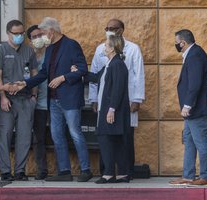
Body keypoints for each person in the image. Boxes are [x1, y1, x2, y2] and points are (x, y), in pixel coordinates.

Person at [16, 17, 92, 182]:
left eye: (43, 33)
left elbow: (82, 69)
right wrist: (26, 83)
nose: (42, 36)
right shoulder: (49, 49)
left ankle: (86, 169)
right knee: (57, 135)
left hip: (70, 98)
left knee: (75, 133)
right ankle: (64, 171)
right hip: (54, 100)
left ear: (52, 30)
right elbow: (44, 73)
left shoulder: (71, 45)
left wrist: (63, 77)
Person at [89, 18, 145, 178]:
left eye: (113, 28)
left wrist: (137, 99)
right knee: (106, 137)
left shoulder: (133, 49)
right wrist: (94, 98)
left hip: (125, 100)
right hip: (106, 101)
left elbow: (138, 74)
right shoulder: (101, 48)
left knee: (125, 137)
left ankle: (125, 171)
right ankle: (106, 171)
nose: (109, 30)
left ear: (121, 29)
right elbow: (97, 74)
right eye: (107, 28)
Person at [74, 35, 130, 184]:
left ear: (112, 48)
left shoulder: (117, 64)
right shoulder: (110, 64)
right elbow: (96, 78)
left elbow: (118, 89)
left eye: (106, 46)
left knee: (106, 139)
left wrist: (111, 109)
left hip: (112, 110)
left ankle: (109, 173)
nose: (104, 48)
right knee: (115, 141)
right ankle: (122, 173)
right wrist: (79, 72)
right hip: (109, 109)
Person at [0, 19, 38, 181]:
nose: (19, 36)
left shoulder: (29, 51)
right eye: (16, 33)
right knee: (4, 136)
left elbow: (34, 75)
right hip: (7, 100)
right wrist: (2, 97)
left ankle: (20, 171)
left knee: (24, 137)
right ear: (8, 33)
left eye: (21, 33)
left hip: (25, 99)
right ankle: (5, 171)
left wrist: (34, 96)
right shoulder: (0, 51)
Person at [169, 29, 207, 186]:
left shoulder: (194, 54)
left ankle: (205, 176)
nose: (176, 45)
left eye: (177, 42)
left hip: (196, 108)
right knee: (189, 141)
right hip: (193, 110)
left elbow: (194, 84)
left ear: (183, 42)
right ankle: (188, 176)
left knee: (200, 142)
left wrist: (187, 105)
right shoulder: (193, 53)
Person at [26, 25, 49, 180]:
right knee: (38, 138)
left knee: (61, 135)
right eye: (34, 36)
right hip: (37, 104)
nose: (38, 38)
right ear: (30, 40)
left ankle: (64, 170)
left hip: (55, 102)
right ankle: (42, 170)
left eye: (40, 35)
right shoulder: (28, 56)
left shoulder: (52, 53)